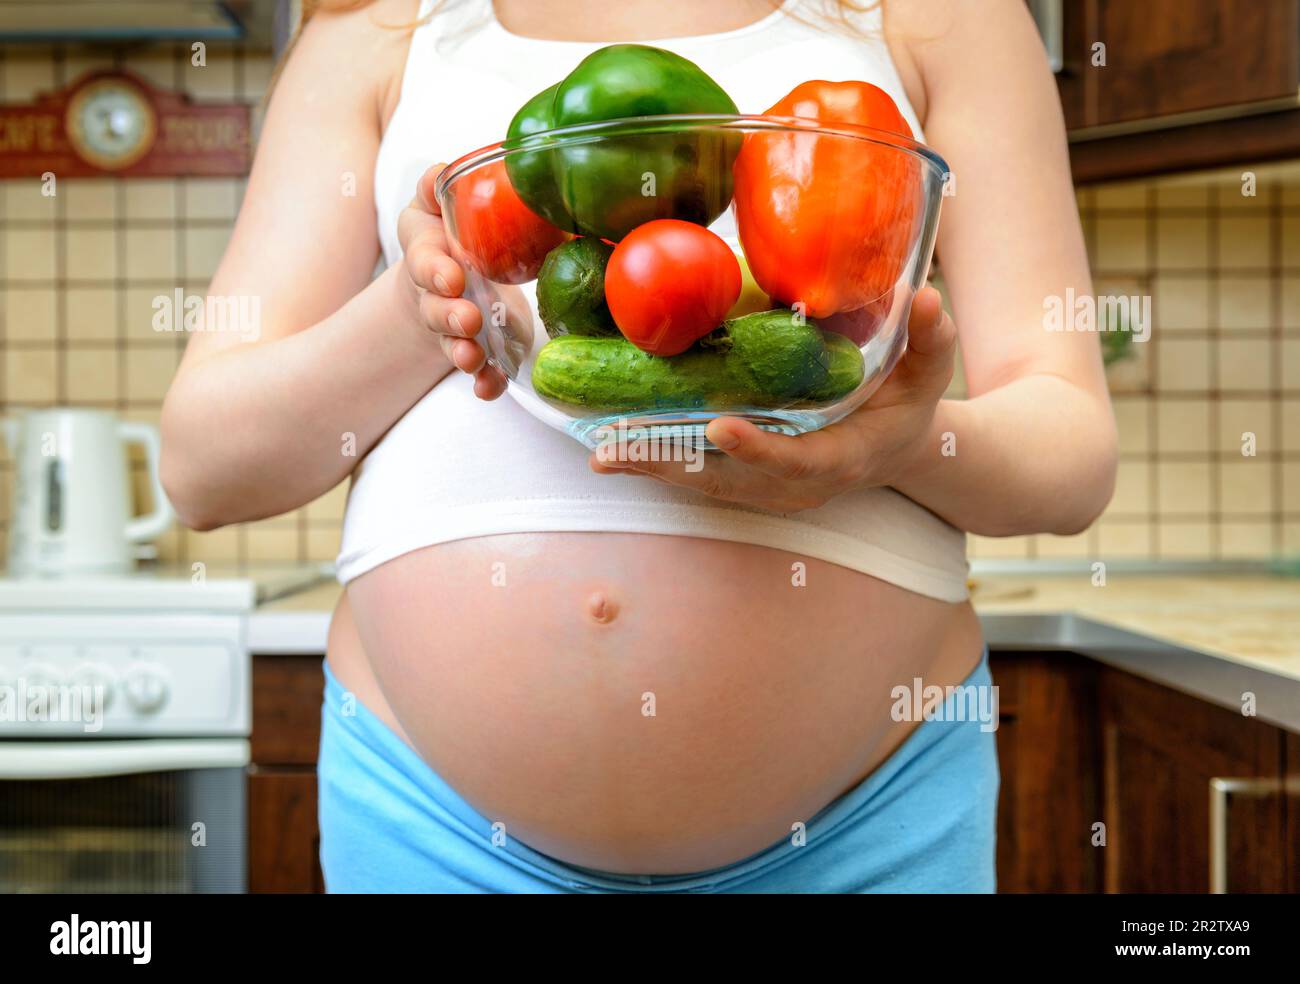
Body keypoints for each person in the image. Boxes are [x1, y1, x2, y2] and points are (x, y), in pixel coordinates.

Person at [161, 0, 1116, 892]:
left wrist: (889, 450)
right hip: (436, 831)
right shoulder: (377, 21)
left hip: (868, 828)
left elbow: (1070, 458)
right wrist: (425, 309)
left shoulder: (940, 15)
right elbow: (204, 468)